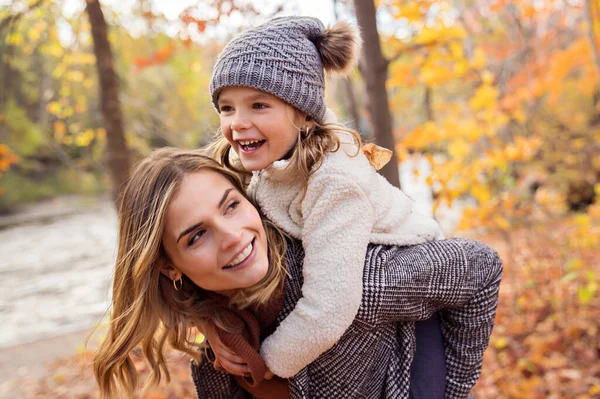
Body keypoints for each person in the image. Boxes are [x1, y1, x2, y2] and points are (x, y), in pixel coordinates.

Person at [205, 14, 482, 392]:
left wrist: (268, 363)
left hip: (413, 294)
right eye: (226, 107)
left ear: (303, 113)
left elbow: (328, 309)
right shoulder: (263, 156)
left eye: (258, 105)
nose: (237, 122)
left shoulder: (334, 181)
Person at [93, 148, 502, 399]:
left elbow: (482, 268)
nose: (233, 237)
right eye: (197, 235)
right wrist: (207, 320)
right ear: (169, 266)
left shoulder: (355, 283)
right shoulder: (218, 357)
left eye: (231, 206)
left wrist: (452, 389)